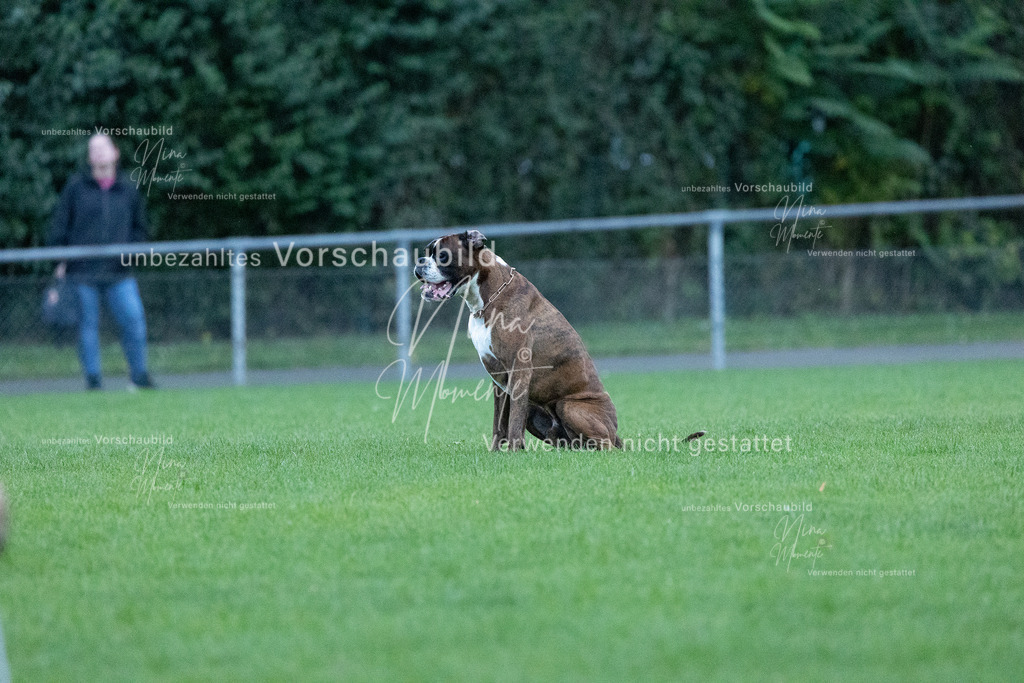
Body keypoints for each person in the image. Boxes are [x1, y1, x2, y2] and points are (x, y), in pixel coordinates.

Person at [47, 133, 155, 390]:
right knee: (87, 327)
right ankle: (94, 381)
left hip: (119, 273)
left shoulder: (128, 189)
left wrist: (130, 254)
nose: (98, 153)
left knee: (134, 321)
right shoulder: (76, 188)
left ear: (115, 152)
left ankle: (139, 377)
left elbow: (141, 229)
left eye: (103, 148)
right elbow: (60, 226)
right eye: (93, 150)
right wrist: (62, 260)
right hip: (82, 272)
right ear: (89, 157)